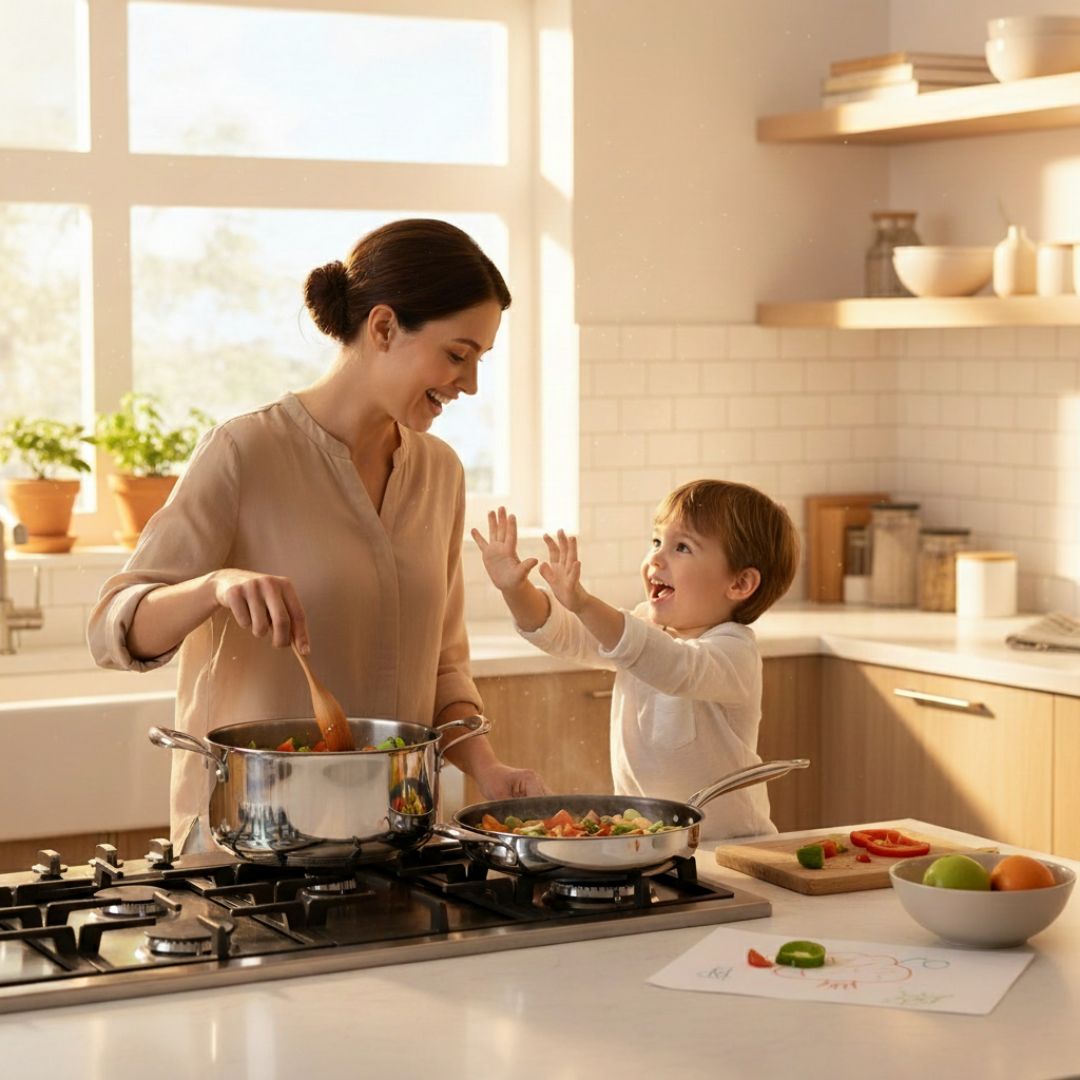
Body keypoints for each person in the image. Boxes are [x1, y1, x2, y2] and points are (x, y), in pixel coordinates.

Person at [88, 218, 547, 854]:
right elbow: (114, 629)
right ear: (383, 328)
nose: (469, 383)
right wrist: (214, 587)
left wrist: (488, 767)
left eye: (478, 361)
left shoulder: (439, 472)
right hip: (251, 845)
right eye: (457, 354)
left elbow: (443, 665)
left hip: (393, 838)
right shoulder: (245, 451)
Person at [472, 479, 800, 840]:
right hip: (649, 837)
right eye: (657, 541)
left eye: (683, 547)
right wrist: (515, 589)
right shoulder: (645, 628)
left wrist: (583, 602)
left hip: (731, 846)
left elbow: (674, 666)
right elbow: (565, 634)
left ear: (739, 584)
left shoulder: (734, 652)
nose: (656, 558)